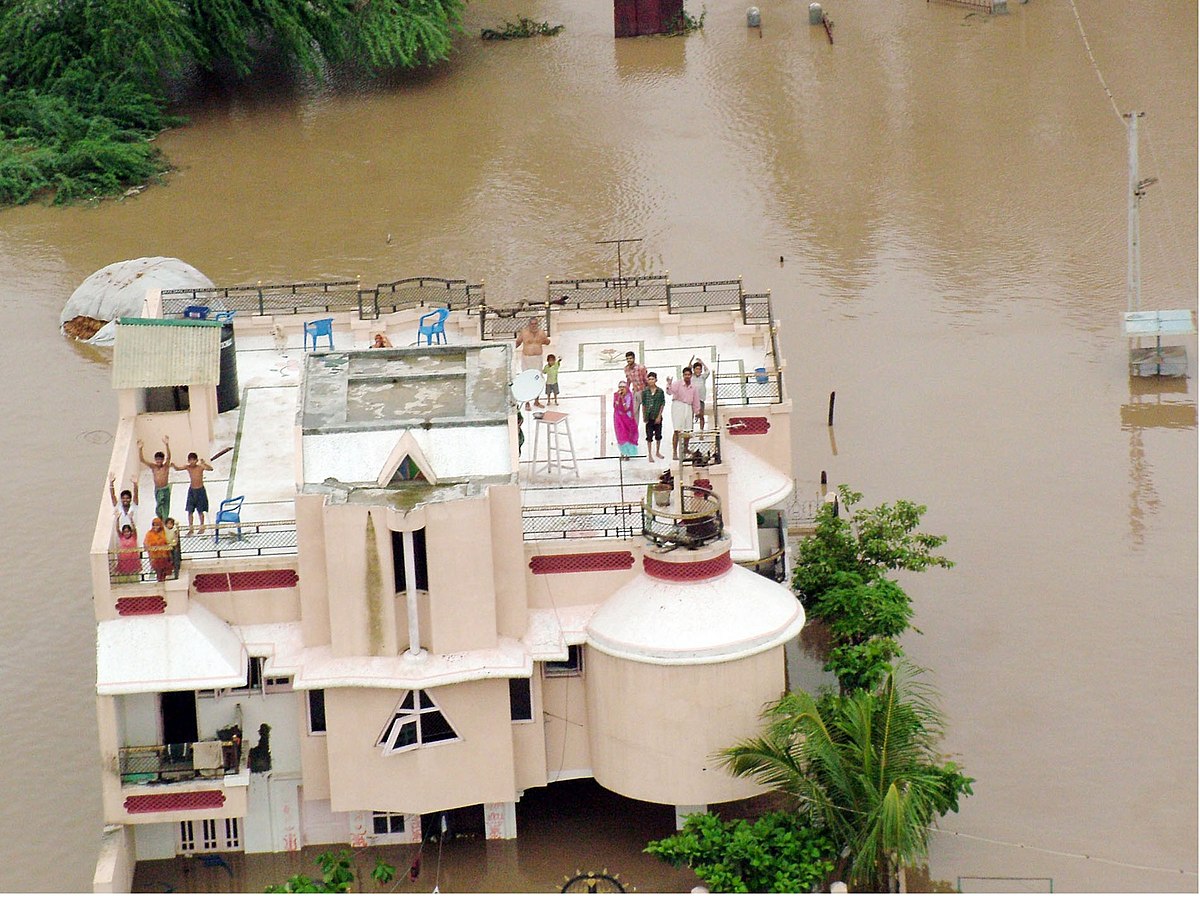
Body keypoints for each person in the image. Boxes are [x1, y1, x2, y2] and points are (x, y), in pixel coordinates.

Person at [666, 366, 702, 460]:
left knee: (688, 430)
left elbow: (696, 400)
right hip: (678, 406)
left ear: (691, 375)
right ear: (683, 375)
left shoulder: (693, 387)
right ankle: (674, 451)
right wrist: (669, 384)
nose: (687, 376)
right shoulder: (677, 384)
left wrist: (697, 411)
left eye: (689, 374)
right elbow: (670, 391)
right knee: (677, 430)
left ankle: (685, 448)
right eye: (685, 374)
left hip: (688, 407)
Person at [515, 316, 550, 410]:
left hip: (537, 359)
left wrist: (545, 340)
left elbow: (547, 342)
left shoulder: (541, 332)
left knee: (537, 379)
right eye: (532, 324)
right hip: (527, 358)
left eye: (535, 324)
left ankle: (536, 401)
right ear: (529, 324)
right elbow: (518, 342)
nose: (534, 326)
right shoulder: (524, 332)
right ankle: (527, 402)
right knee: (527, 379)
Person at [175, 452, 214, 535]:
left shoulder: (200, 467)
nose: (192, 462)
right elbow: (178, 469)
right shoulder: (188, 467)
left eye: (193, 460)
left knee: (200, 511)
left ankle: (202, 527)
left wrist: (204, 463)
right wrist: (173, 465)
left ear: (196, 460)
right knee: (190, 511)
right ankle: (191, 528)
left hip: (200, 490)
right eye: (190, 460)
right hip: (192, 490)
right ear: (188, 461)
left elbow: (210, 469)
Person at [138, 437, 172, 522]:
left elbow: (169, 457)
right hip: (158, 490)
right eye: (157, 459)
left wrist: (167, 444)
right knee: (159, 508)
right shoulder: (153, 467)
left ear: (163, 460)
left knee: (165, 508)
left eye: (160, 459)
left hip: (165, 489)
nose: (158, 461)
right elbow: (142, 460)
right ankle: (160, 521)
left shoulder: (166, 466)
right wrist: (140, 448)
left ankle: (165, 522)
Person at [640, 372, 666, 461]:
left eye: (652, 379)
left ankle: (657, 451)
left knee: (658, 435)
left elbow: (662, 404)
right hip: (648, 416)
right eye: (649, 379)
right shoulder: (645, 392)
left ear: (656, 380)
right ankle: (650, 454)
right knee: (649, 436)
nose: (651, 381)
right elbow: (643, 404)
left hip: (657, 416)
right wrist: (644, 415)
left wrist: (659, 416)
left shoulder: (660, 391)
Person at [612, 381, 640, 458]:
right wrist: (618, 398)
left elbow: (626, 408)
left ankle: (630, 453)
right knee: (621, 435)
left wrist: (622, 400)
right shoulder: (616, 395)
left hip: (627, 418)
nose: (621, 389)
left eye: (623, 388)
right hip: (619, 418)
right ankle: (623, 452)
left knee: (629, 435)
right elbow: (615, 406)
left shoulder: (629, 396)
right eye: (620, 387)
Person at [144, 517, 173, 582]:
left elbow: (168, 541)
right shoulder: (149, 533)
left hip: (165, 556)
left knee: (166, 573)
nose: (155, 527)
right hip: (155, 558)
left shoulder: (164, 532)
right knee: (159, 573)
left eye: (157, 525)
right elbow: (146, 544)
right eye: (154, 525)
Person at [688, 357, 710, 429]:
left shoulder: (703, 377)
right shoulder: (691, 377)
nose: (698, 371)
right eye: (696, 369)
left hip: (700, 399)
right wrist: (690, 363)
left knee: (701, 415)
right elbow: (687, 371)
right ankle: (690, 430)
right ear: (693, 370)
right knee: (690, 416)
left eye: (699, 369)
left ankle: (701, 431)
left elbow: (708, 371)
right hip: (691, 399)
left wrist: (702, 362)